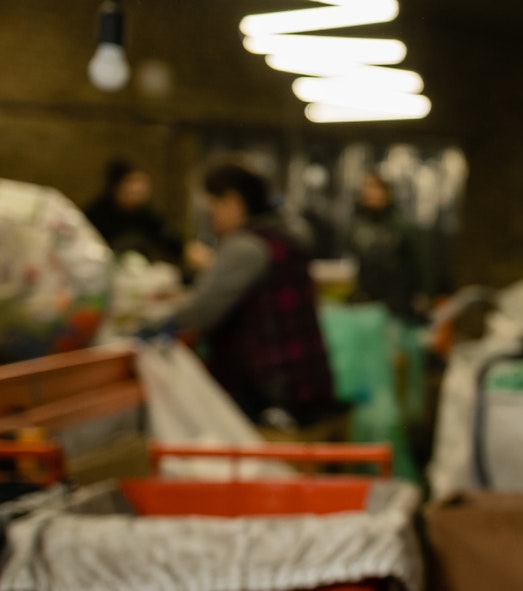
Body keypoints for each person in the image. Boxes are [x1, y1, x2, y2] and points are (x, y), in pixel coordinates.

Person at [164, 163, 339, 432]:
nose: (211, 219)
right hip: (307, 383)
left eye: (213, 207)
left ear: (233, 201)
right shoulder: (286, 237)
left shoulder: (245, 247)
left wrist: (153, 324)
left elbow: (200, 312)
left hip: (270, 391)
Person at [344, 171, 430, 318]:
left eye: (374, 187)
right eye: (365, 187)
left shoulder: (404, 228)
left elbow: (422, 265)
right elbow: (352, 265)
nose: (369, 192)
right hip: (366, 304)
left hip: (399, 305)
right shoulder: (356, 228)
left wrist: (425, 296)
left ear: (386, 192)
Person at [84, 158, 180, 266]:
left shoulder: (146, 214)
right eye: (131, 182)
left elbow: (167, 237)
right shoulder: (97, 215)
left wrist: (185, 250)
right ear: (116, 186)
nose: (138, 188)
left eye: (140, 182)